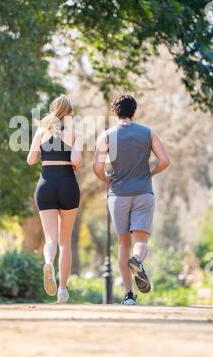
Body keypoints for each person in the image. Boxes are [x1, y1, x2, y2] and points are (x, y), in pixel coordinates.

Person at [93, 95, 170, 305]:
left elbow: (97, 168)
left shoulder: (107, 136)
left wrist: (106, 179)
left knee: (122, 244)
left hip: (118, 195)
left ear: (114, 112)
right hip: (144, 192)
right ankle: (137, 261)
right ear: (134, 111)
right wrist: (150, 174)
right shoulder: (148, 133)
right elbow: (165, 160)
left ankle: (128, 296)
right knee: (141, 240)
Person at [27, 95, 82, 303]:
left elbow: (31, 160)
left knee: (50, 238)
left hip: (46, 185)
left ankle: (48, 262)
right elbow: (75, 160)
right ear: (70, 113)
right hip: (67, 184)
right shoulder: (75, 133)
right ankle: (62, 291)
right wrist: (74, 160)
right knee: (65, 241)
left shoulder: (42, 131)